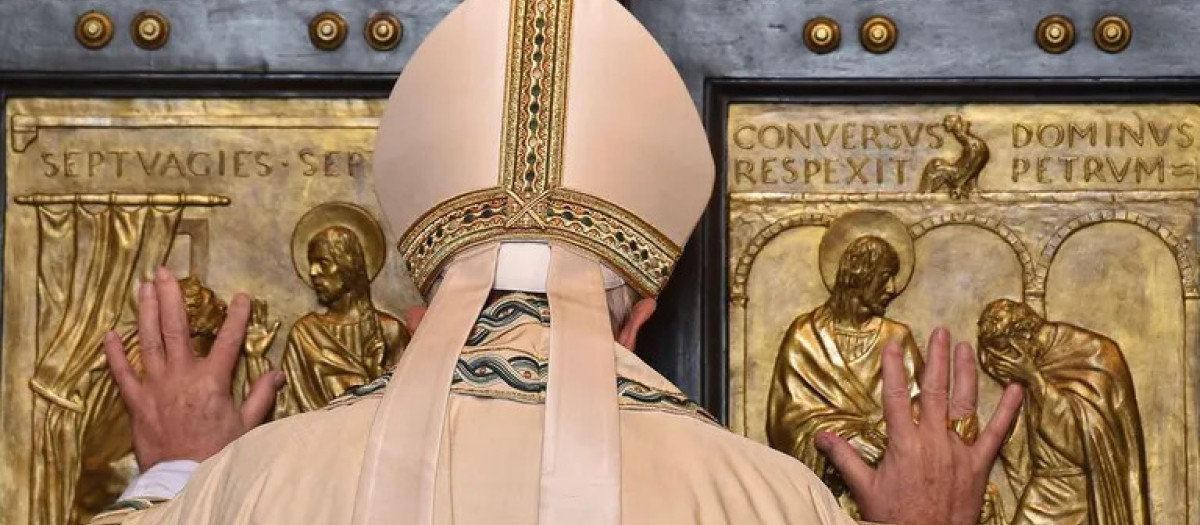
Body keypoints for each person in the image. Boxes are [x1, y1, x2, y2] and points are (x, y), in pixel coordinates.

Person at [89, 0, 1023, 524]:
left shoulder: (258, 484)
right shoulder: (761, 496)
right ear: (641, 316)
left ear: (421, 312)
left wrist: (179, 478)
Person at [767, 235, 924, 499]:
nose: (892, 288)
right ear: (861, 274)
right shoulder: (805, 335)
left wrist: (879, 439)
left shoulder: (897, 337)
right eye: (885, 277)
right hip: (819, 495)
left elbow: (919, 407)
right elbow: (785, 422)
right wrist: (843, 442)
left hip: (889, 488)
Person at [977, 299, 1149, 525]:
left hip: (1080, 494)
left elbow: (1085, 442)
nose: (1004, 362)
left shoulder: (1092, 354)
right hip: (1043, 489)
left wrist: (1035, 380)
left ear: (1026, 336)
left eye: (1007, 352)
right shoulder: (1027, 358)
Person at [277, 225, 409, 418]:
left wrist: (377, 376)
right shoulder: (304, 334)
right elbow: (286, 410)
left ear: (349, 264)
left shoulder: (389, 330)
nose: (313, 272)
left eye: (323, 262)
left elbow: (410, 402)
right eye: (311, 263)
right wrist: (255, 360)